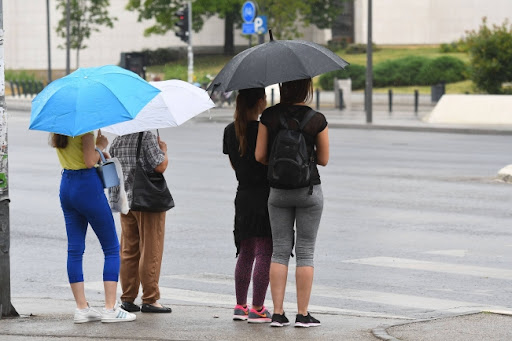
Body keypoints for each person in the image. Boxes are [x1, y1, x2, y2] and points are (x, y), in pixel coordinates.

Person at [255, 78, 329, 328]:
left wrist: (280, 166)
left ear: (283, 87)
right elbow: (325, 159)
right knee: (305, 252)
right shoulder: (316, 119)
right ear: (306, 89)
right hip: (308, 190)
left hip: (277, 191)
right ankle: (303, 314)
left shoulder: (269, 116)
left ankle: (277, 313)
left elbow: (260, 155)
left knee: (279, 250)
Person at [51, 130, 136, 323]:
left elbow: (85, 157)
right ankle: (110, 309)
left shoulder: (59, 130)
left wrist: (98, 151)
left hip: (67, 184)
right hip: (87, 186)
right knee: (112, 248)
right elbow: (89, 161)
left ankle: (82, 308)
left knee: (74, 249)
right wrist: (101, 145)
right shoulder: (85, 132)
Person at [223, 88, 273, 323]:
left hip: (242, 195)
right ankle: (258, 308)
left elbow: (235, 166)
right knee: (264, 250)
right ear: (261, 101)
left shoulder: (229, 131)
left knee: (245, 252)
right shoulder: (266, 129)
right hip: (264, 195)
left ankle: (240, 306)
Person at [109, 130, 172, 313]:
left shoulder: (119, 139)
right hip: (147, 201)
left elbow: (112, 168)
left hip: (126, 200)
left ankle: (128, 298)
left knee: (129, 249)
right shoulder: (147, 136)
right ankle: (150, 299)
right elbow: (159, 166)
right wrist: (164, 150)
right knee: (151, 248)